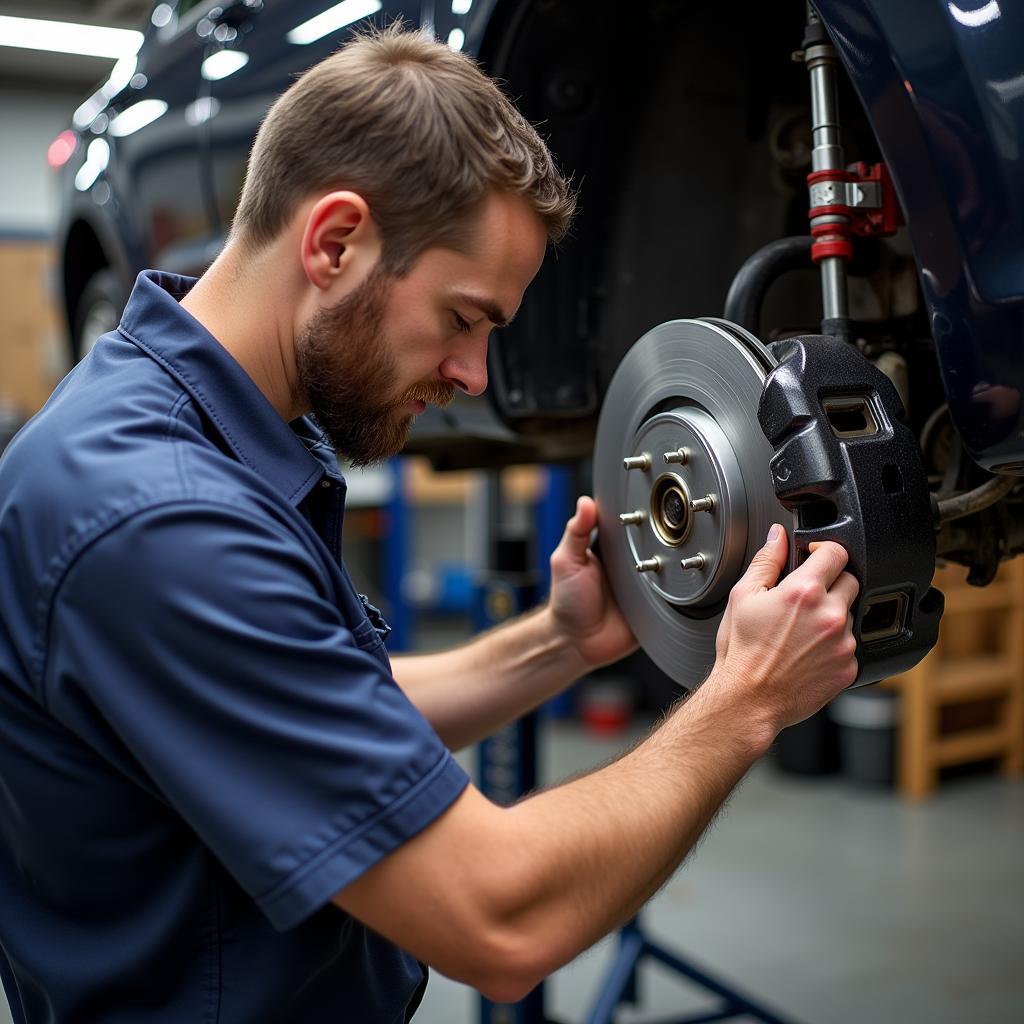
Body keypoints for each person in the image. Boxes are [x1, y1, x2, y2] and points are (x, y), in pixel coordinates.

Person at [0, 24, 858, 1023]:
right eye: (463, 318)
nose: (472, 377)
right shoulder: (160, 522)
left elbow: (312, 706)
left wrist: (558, 644)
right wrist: (748, 694)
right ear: (333, 241)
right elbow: (498, 922)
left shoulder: (172, 422)